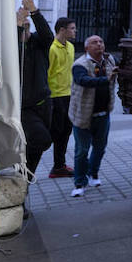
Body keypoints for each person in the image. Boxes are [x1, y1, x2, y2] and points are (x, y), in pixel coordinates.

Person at [68, 35, 117, 197]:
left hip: (103, 114)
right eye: (94, 42)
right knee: (81, 151)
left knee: (100, 148)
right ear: (87, 47)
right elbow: (83, 80)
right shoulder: (80, 65)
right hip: (83, 115)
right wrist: (106, 79)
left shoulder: (110, 61)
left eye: (101, 42)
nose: (99, 45)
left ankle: (93, 173)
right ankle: (79, 183)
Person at [17, 0, 54, 178]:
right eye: (22, 28)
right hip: (25, 108)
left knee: (35, 154)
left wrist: (34, 11)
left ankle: (24, 185)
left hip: (44, 104)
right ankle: (20, 167)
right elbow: (15, 42)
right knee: (41, 139)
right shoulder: (14, 47)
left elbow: (48, 35)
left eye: (27, 27)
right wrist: (18, 22)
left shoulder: (38, 43)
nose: (25, 30)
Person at [46, 16, 77, 178]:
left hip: (69, 96)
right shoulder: (51, 48)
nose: (75, 31)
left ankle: (59, 166)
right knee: (54, 132)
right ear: (62, 30)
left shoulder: (71, 47)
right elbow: (46, 73)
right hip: (54, 97)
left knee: (65, 132)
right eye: (72, 28)